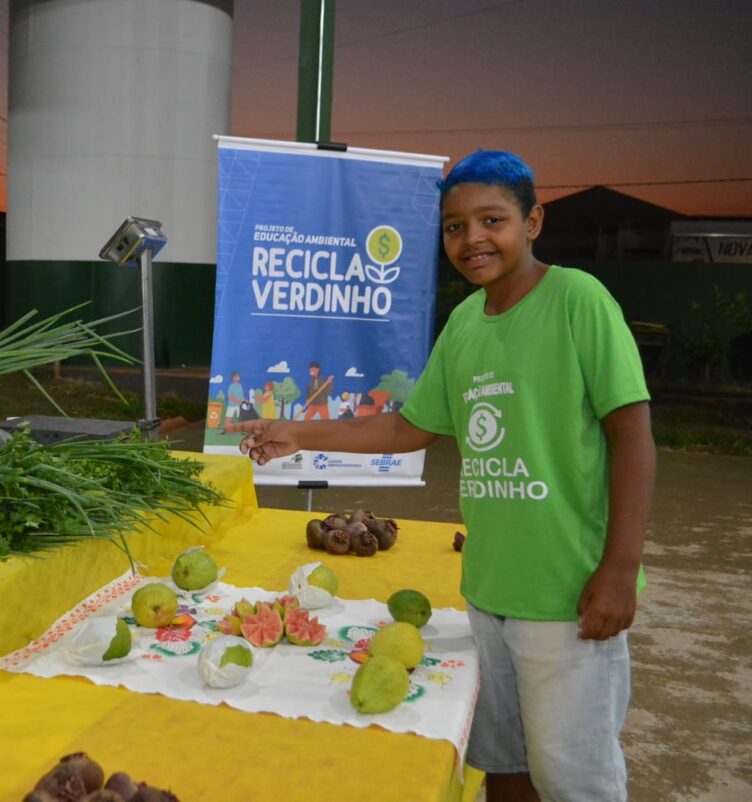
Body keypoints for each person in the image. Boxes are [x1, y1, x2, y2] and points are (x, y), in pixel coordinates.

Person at [228, 150, 656, 802]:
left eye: (492, 220)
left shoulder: (577, 300)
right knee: (502, 762)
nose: (472, 238)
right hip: (489, 591)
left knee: (574, 779)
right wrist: (299, 432)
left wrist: (620, 569)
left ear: (533, 220)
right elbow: (408, 429)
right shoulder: (463, 324)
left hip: (568, 596)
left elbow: (634, 438)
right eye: (455, 227)